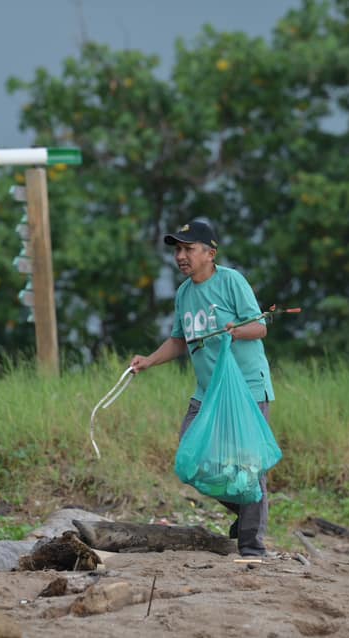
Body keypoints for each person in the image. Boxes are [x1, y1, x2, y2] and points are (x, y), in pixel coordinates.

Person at [130, 219, 275, 557]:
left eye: (188, 249)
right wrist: (149, 361)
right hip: (208, 392)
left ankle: (252, 547)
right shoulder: (184, 293)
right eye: (177, 249)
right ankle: (246, 510)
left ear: (210, 253)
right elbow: (180, 340)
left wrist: (236, 331)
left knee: (248, 467)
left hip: (246, 389)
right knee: (191, 460)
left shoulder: (231, 281)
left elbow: (260, 327)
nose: (181, 256)